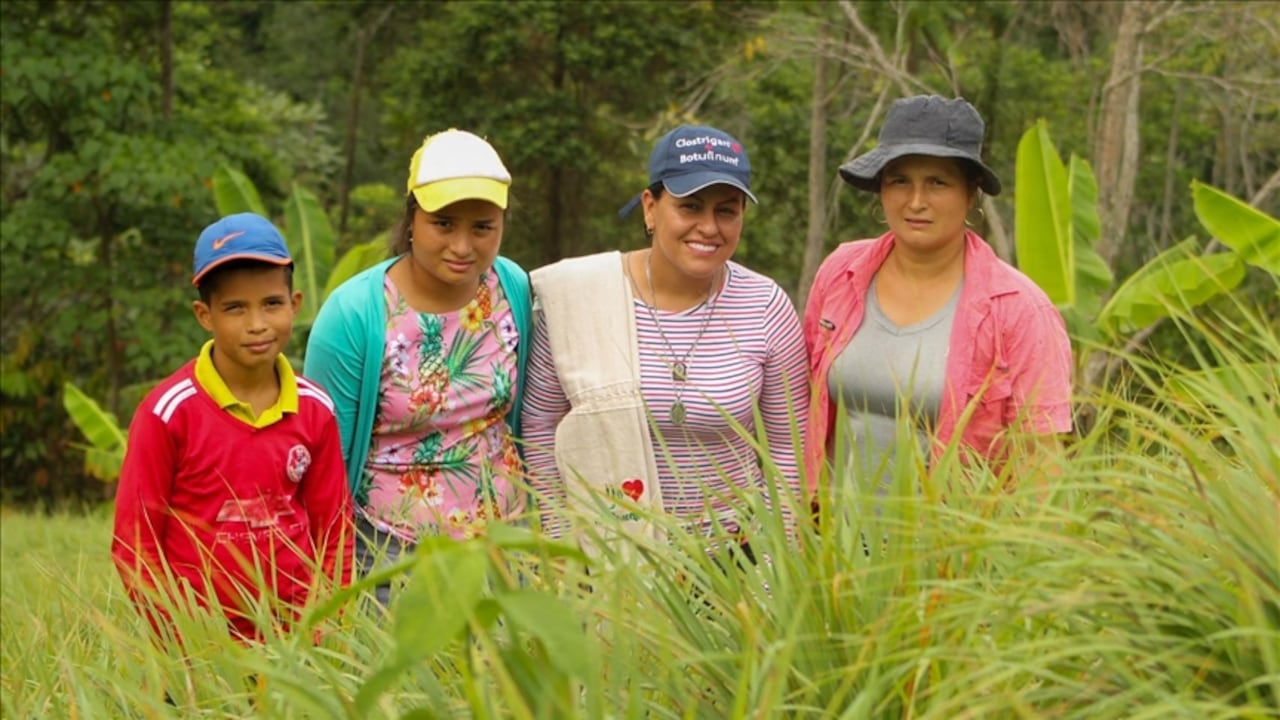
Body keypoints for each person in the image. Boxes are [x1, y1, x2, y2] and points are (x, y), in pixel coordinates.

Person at [521, 124, 810, 556]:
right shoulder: (581, 299)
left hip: (735, 564)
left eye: (727, 211)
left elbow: (788, 449)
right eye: (690, 206)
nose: (709, 227)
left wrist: (772, 569)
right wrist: (563, 547)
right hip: (610, 558)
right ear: (651, 208)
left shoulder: (764, 305)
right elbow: (541, 429)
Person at [803, 95, 1073, 500]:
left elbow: (1040, 462)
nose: (916, 202)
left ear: (971, 193)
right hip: (830, 549)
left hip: (951, 555)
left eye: (937, 182)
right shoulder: (841, 273)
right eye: (900, 181)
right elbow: (801, 403)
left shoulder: (1019, 309)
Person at [303, 129, 531, 602]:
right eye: (443, 224)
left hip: (502, 544)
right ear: (412, 220)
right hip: (389, 552)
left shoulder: (512, 288)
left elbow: (524, 414)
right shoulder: (356, 314)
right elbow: (327, 454)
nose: (463, 245)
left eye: (482, 227)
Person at [112, 212, 353, 644]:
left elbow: (333, 531)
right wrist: (183, 637)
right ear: (205, 315)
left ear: (295, 305)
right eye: (235, 308)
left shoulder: (315, 409)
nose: (257, 324)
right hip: (196, 650)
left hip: (295, 646)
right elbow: (135, 546)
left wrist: (320, 630)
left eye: (271, 304)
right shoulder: (168, 413)